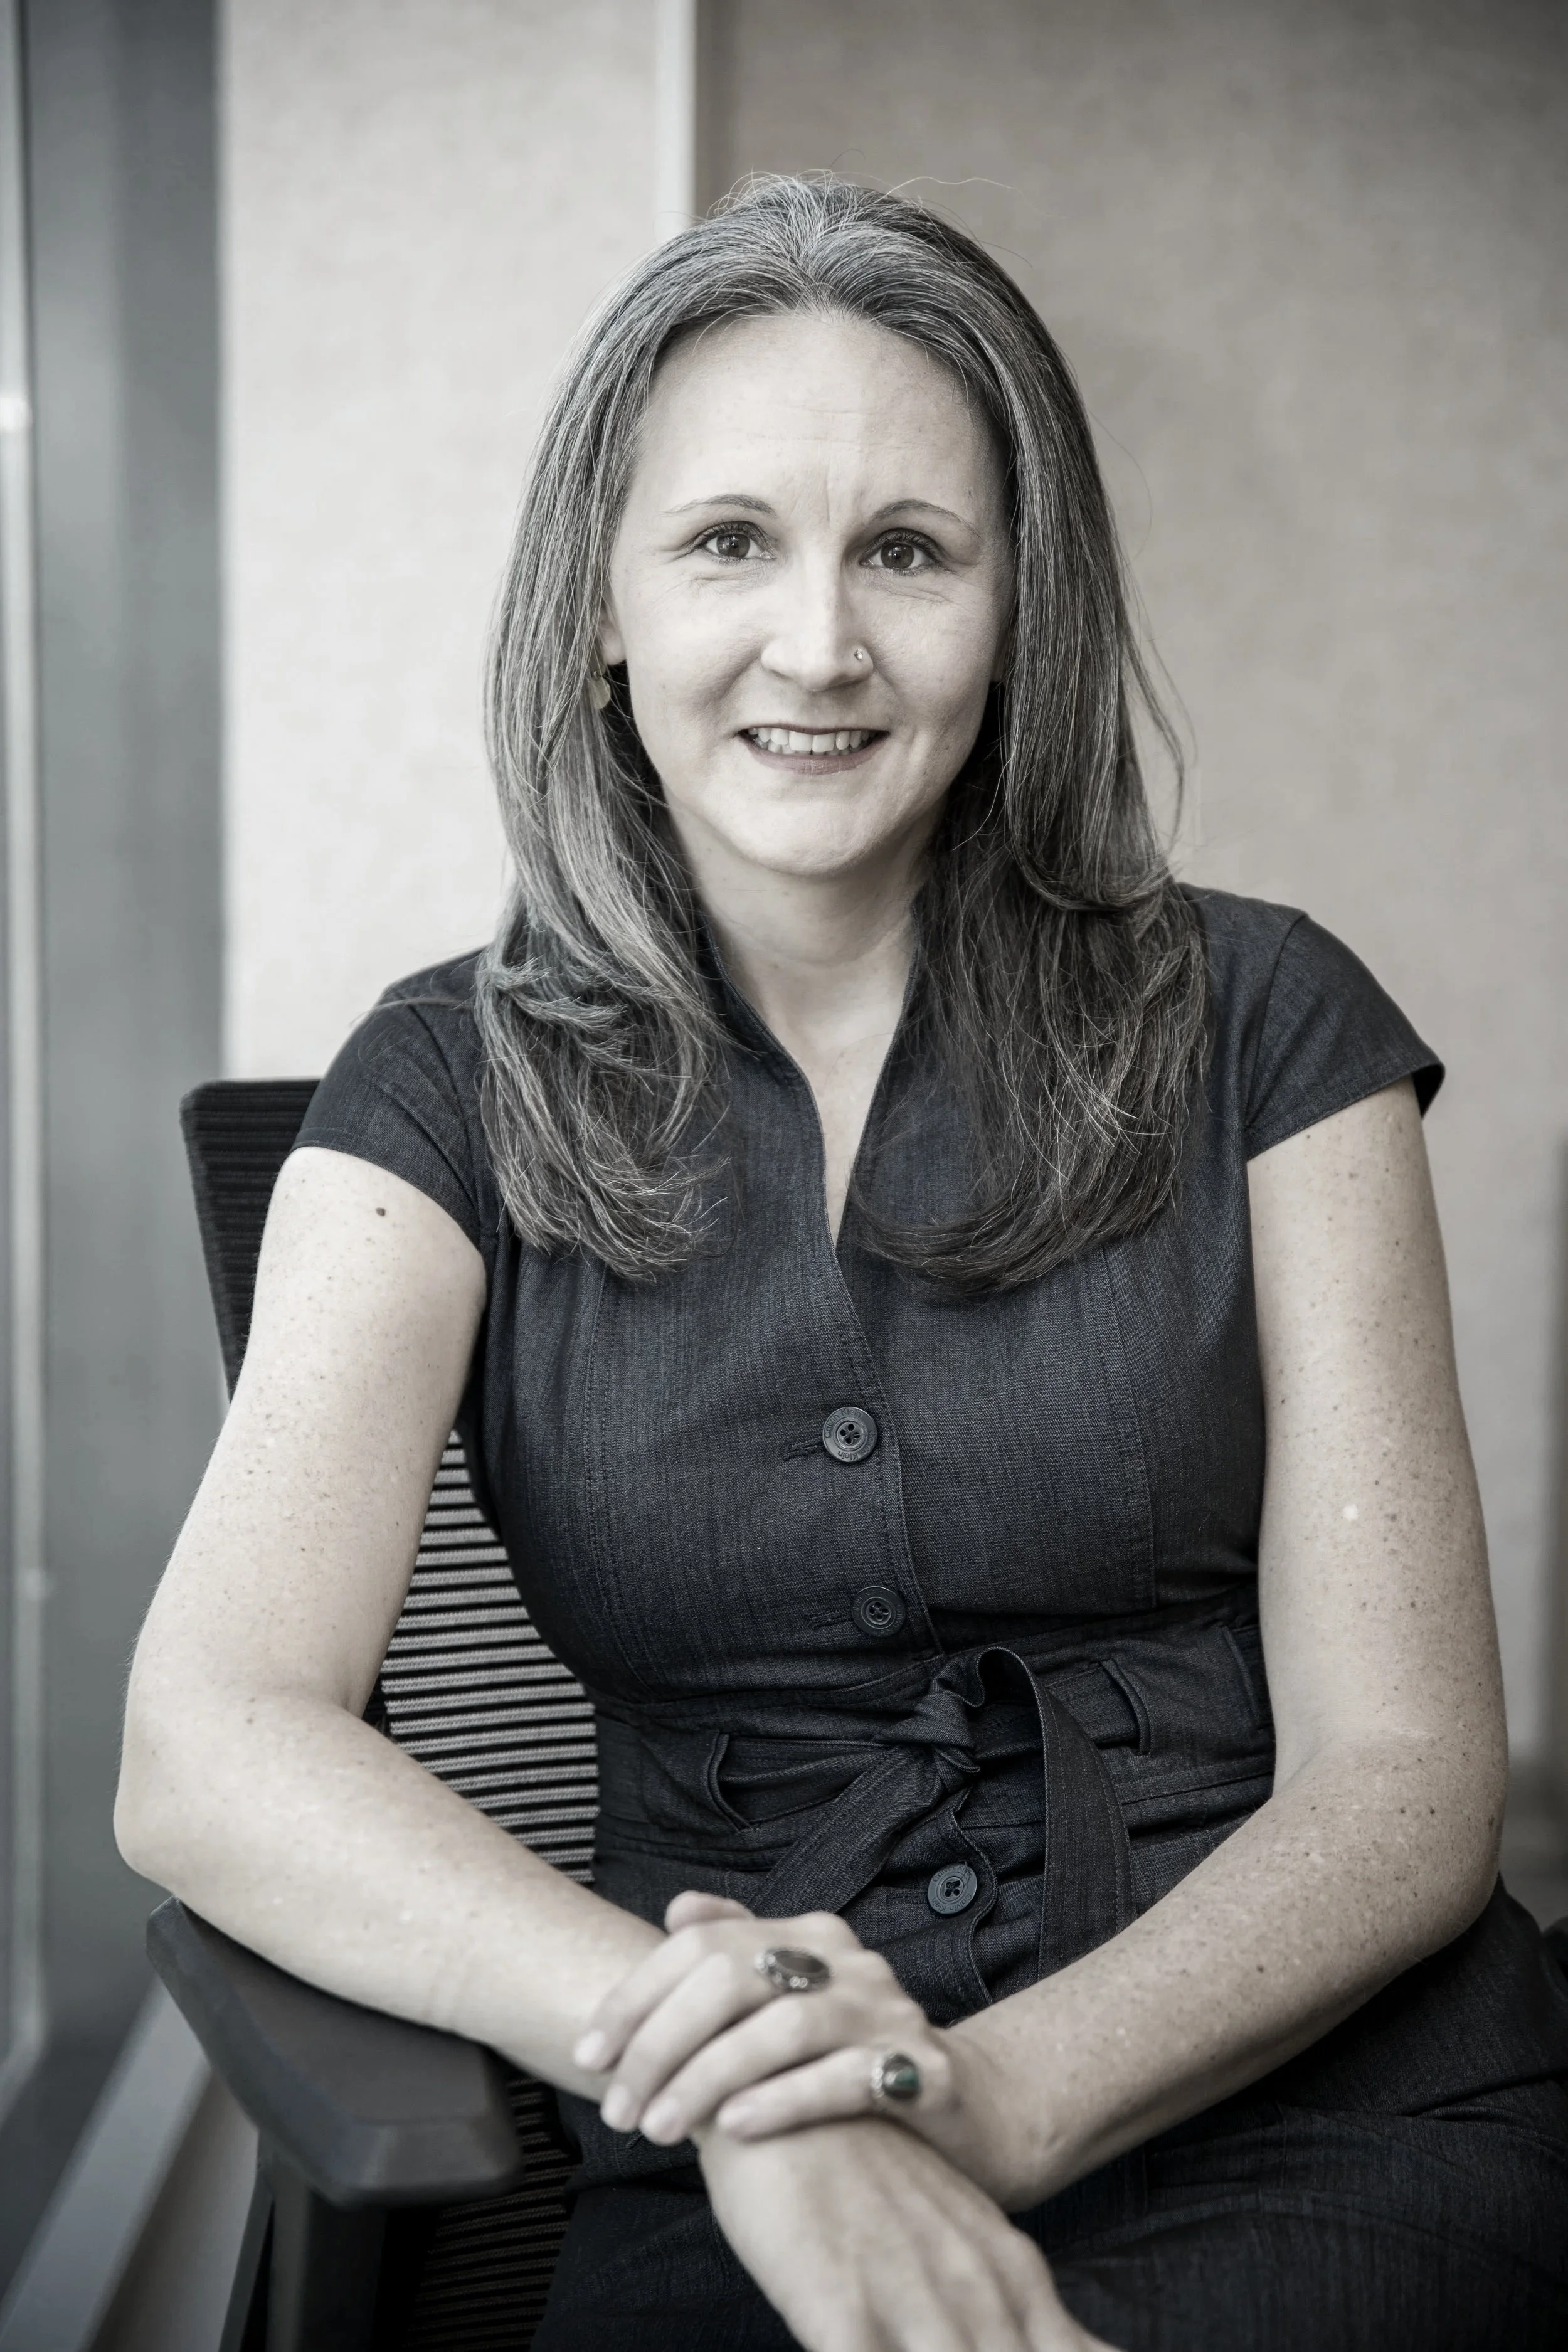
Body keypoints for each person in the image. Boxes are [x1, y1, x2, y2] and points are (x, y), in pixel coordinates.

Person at [116, 177, 1568, 2351]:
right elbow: (209, 1738)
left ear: (1017, 606)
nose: (818, 644)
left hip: (1316, 2110)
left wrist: (962, 2096)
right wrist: (767, 2085)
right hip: (724, 2145)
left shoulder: (1274, 1026)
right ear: (596, 604)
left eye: (907, 547)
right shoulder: (436, 1088)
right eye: (726, 541)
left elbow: (1406, 1782)